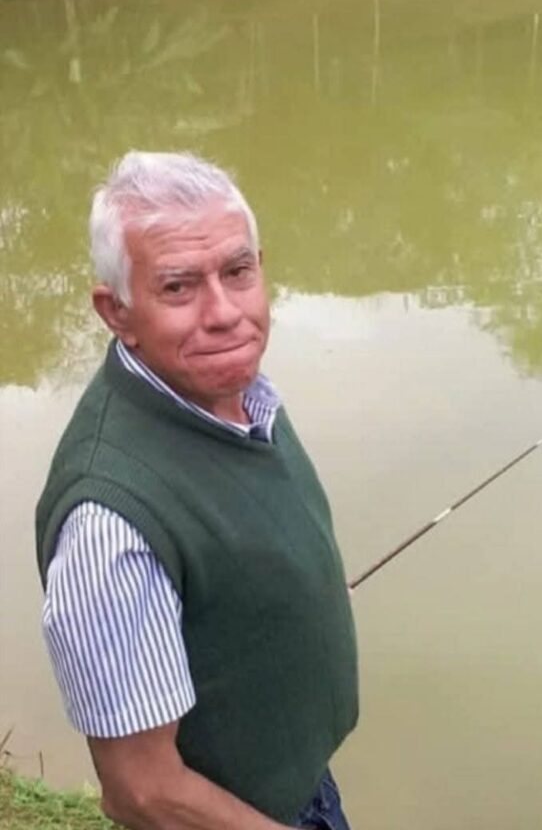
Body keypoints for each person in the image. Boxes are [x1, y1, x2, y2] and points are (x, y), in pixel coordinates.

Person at [35, 151, 359, 830]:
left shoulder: (233, 391)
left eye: (237, 272)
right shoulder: (109, 525)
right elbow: (144, 792)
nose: (225, 313)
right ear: (117, 312)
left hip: (296, 781)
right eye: (179, 287)